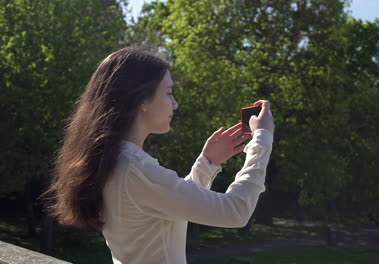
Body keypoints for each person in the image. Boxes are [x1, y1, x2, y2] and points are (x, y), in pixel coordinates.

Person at [43, 47, 275, 264]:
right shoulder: (134, 167)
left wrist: (208, 163)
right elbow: (235, 212)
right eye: (168, 93)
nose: (175, 104)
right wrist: (261, 140)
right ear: (142, 99)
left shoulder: (112, 159)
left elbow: (171, 208)